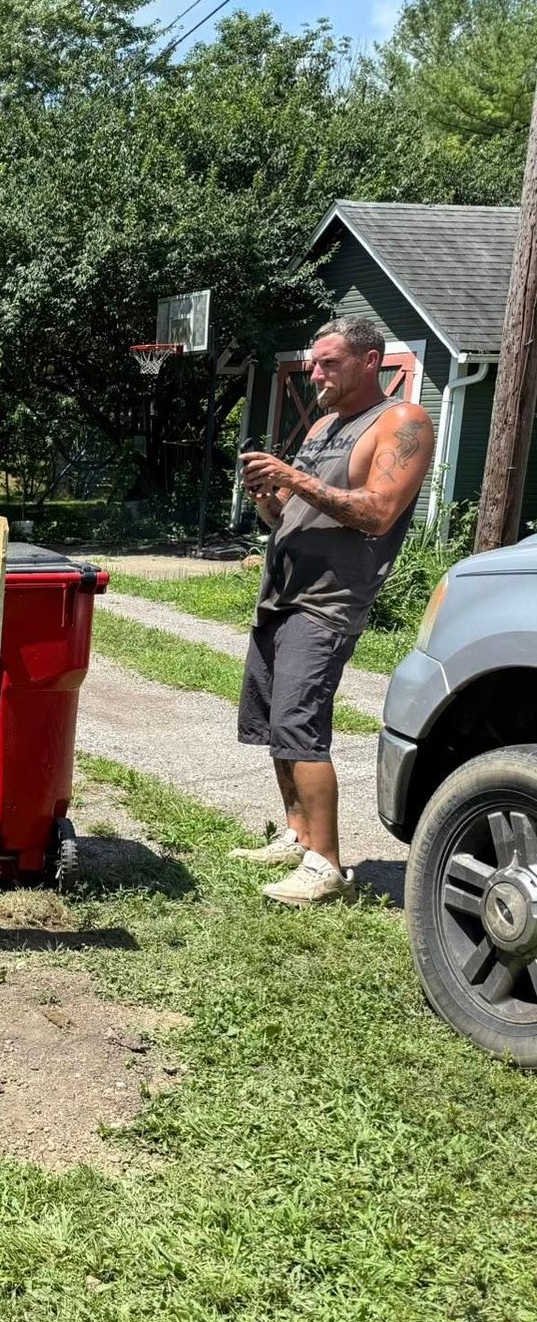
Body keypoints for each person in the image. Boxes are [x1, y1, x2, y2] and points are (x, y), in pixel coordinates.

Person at [231, 315, 433, 905]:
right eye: (314, 362)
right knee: (274, 724)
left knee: (300, 725)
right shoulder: (322, 426)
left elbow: (376, 513)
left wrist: (291, 474)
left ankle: (327, 864)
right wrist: (273, 504)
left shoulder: (401, 421)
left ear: (369, 362)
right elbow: (301, 511)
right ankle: (298, 836)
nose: (316, 372)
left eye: (330, 363)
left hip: (326, 600)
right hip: (281, 591)